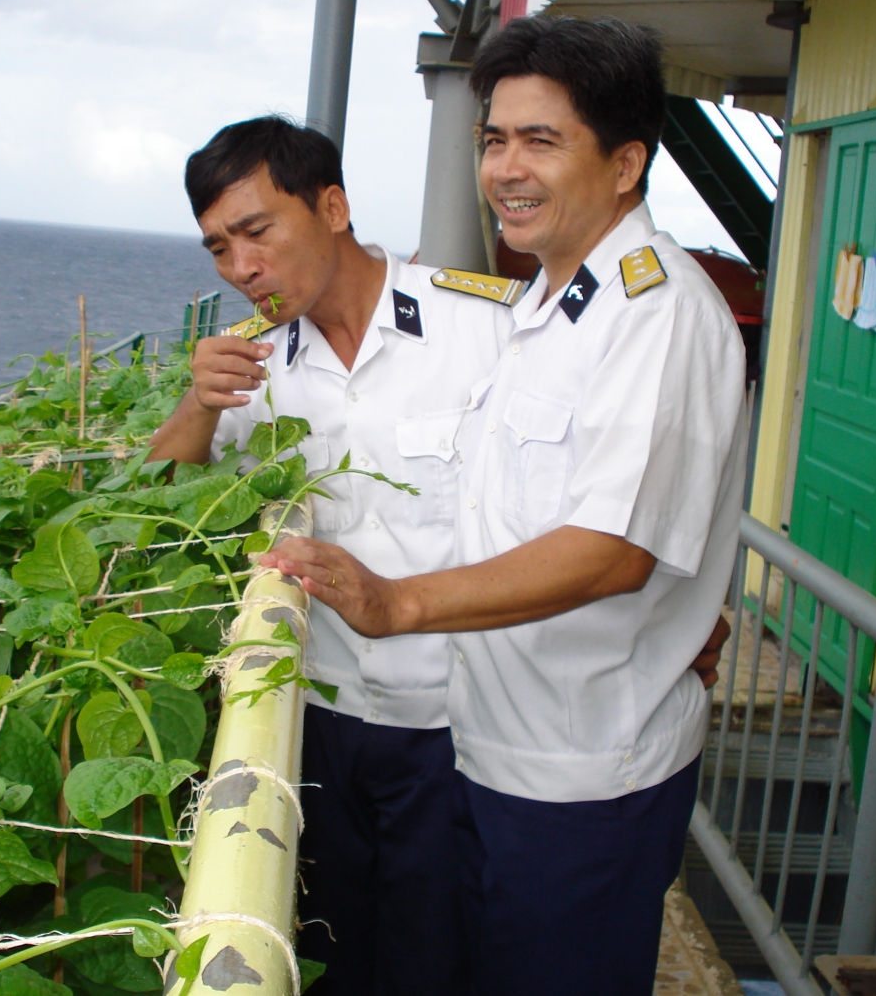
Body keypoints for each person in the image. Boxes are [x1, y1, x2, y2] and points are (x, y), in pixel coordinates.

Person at [149, 114, 729, 995]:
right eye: (218, 250)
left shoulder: (489, 323)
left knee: (444, 960)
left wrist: (680, 610)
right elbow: (150, 506)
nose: (241, 269)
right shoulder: (258, 368)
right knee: (335, 955)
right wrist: (197, 403)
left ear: (333, 206)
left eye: (257, 232)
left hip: (459, 727)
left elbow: (610, 478)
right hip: (326, 720)